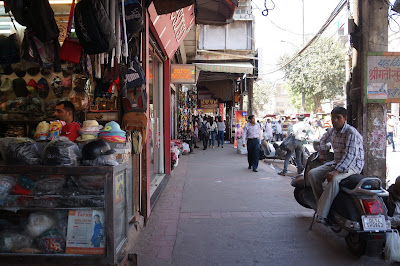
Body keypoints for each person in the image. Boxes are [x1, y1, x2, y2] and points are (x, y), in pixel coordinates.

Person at [308, 107, 364, 224]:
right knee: (312, 174)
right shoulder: (332, 131)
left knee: (333, 180)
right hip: (337, 162)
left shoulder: (351, 133)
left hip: (353, 166)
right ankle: (321, 205)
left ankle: (322, 215)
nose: (335, 120)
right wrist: (322, 152)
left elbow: (350, 157)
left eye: (338, 118)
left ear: (345, 119)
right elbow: (322, 140)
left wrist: (336, 172)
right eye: (333, 118)